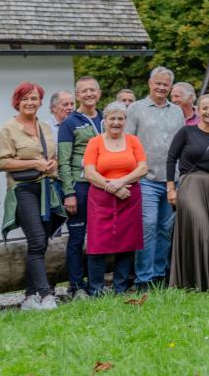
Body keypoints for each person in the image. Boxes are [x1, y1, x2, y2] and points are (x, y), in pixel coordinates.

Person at [0, 82, 64, 311]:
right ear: (18, 101)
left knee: (41, 241)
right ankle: (45, 296)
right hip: (22, 189)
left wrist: (52, 163)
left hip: (45, 188)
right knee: (36, 239)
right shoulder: (8, 129)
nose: (30, 102)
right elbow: (2, 162)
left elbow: (51, 156)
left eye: (34, 98)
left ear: (40, 102)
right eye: (25, 98)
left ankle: (29, 296)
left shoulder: (44, 127)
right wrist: (33, 162)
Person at [125, 66, 185, 291]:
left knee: (165, 228)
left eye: (165, 84)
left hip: (171, 180)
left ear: (170, 87)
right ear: (150, 83)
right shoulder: (136, 109)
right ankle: (144, 278)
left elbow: (181, 145)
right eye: (157, 83)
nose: (161, 87)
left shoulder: (176, 112)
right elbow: (128, 143)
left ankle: (160, 274)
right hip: (146, 179)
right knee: (147, 226)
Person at [167, 95, 209, 291]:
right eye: (205, 108)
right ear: (198, 110)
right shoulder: (186, 132)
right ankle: (193, 281)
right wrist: (171, 188)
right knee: (201, 229)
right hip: (190, 185)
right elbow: (171, 159)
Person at [83, 102, 147, 295]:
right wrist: (112, 187)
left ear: (125, 121)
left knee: (127, 244)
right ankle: (96, 289)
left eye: (120, 118)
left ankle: (121, 288)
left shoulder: (134, 140)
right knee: (97, 244)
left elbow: (142, 168)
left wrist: (120, 183)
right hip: (101, 199)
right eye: (112, 118)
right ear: (105, 120)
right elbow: (89, 172)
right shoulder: (95, 142)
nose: (116, 122)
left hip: (129, 197)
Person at [58, 76, 103, 300]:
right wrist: (69, 192)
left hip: (103, 187)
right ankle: (76, 285)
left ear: (99, 93)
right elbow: (63, 161)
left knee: (98, 236)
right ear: (77, 95)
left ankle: (97, 282)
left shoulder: (105, 118)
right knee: (77, 237)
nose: (89, 94)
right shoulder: (70, 122)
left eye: (92, 90)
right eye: (84, 91)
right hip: (81, 186)